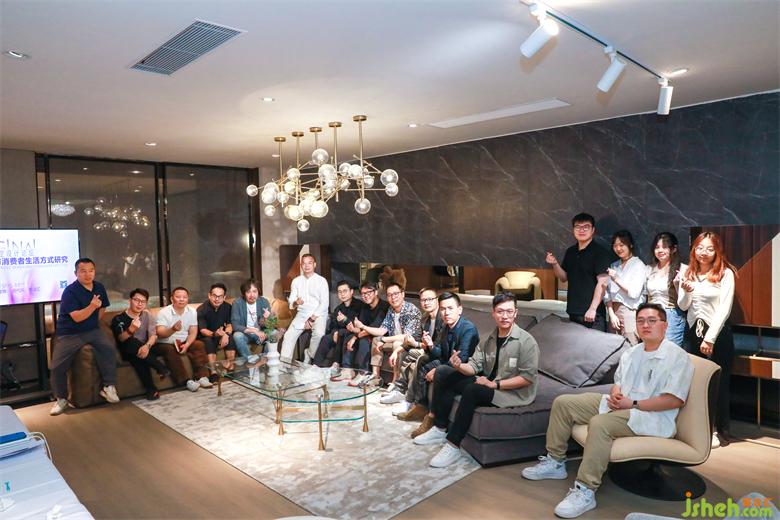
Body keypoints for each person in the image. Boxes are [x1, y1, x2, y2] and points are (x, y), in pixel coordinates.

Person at [522, 303, 693, 518]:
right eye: (641, 321)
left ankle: (585, 490)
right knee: (564, 403)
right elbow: (618, 383)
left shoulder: (677, 357)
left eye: (652, 321)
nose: (646, 325)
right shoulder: (632, 353)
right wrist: (615, 395)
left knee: (600, 423)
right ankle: (555, 462)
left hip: (652, 417)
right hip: (623, 406)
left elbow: (673, 400)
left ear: (665, 325)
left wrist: (632, 403)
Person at [414, 293, 539, 468]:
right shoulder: (488, 339)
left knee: (472, 390)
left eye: (509, 311)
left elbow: (527, 378)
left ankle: (453, 444)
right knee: (444, 372)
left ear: (516, 313)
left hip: (512, 393)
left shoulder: (526, 341)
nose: (505, 316)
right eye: (500, 311)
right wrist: (458, 366)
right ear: (493, 313)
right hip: (489, 384)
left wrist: (494, 384)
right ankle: (440, 428)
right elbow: (473, 366)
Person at [678, 231, 735, 448]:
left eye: (710, 249)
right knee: (697, 383)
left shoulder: (725, 273)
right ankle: (700, 430)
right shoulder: (689, 272)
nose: (704, 252)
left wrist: (710, 339)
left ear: (717, 251)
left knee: (718, 383)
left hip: (717, 334)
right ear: (694, 249)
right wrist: (685, 291)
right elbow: (683, 305)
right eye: (700, 248)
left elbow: (724, 309)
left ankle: (719, 431)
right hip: (694, 333)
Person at [50, 258, 119, 415]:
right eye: (83, 271)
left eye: (91, 271)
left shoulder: (99, 287)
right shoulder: (70, 291)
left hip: (92, 330)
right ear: (76, 273)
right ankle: (61, 399)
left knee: (108, 348)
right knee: (57, 366)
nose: (88, 274)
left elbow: (103, 308)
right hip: (70, 333)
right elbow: (77, 317)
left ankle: (108, 386)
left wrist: (94, 320)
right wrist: (92, 306)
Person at [411, 292, 480, 439]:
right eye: (443, 309)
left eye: (450, 308)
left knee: (441, 370)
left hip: (465, 370)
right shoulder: (445, 326)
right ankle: (422, 406)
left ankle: (433, 417)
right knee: (424, 360)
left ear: (459, 310)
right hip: (449, 364)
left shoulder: (468, 329)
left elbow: (462, 358)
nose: (446, 312)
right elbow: (441, 353)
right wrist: (430, 345)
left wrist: (436, 370)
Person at [547, 213, 613, 331]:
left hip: (593, 315)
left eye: (586, 227)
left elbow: (603, 283)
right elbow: (563, 277)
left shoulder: (600, 252)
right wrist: (555, 264)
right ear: (573, 230)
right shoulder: (570, 252)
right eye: (578, 227)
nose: (581, 230)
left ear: (593, 230)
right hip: (573, 311)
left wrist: (592, 309)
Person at [395, 287, 446, 421]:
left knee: (421, 359)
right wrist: (400, 348)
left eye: (430, 299)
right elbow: (417, 336)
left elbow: (437, 345)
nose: (426, 303)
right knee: (405, 352)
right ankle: (400, 391)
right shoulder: (425, 318)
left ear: (437, 300)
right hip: (429, 349)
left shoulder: (443, 318)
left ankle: (411, 401)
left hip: (438, 353)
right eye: (423, 300)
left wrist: (420, 344)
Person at [110, 288, 169, 400]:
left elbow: (153, 336)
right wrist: (131, 329)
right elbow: (121, 338)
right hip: (126, 349)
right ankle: (160, 367)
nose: (139, 304)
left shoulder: (147, 316)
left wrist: (146, 346)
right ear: (130, 301)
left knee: (139, 358)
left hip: (143, 349)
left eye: (143, 301)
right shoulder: (118, 318)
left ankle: (152, 390)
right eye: (136, 300)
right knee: (131, 342)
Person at [357, 282, 421, 385]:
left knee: (395, 343)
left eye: (396, 294)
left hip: (409, 344)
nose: (393, 297)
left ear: (402, 294)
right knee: (376, 339)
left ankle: (395, 381)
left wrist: (384, 339)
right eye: (389, 295)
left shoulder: (411, 310)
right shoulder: (391, 310)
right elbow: (382, 330)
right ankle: (376, 377)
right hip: (394, 341)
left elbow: (406, 336)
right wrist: (364, 327)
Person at [155, 286, 211, 392]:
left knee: (198, 344)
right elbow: (160, 333)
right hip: (165, 342)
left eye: (184, 297)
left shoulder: (192, 311)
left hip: (183, 341)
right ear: (172, 299)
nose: (181, 299)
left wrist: (187, 344)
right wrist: (173, 329)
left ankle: (202, 377)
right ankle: (185, 381)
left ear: (187, 299)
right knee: (169, 350)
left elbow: (193, 331)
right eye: (178, 297)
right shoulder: (164, 312)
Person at [280, 254, 330, 364]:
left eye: (309, 263)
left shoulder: (322, 281)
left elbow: (324, 304)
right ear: (301, 265)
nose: (307, 266)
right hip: (302, 313)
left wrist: (311, 319)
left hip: (319, 314)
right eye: (304, 263)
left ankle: (309, 353)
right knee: (288, 336)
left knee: (319, 334)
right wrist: (296, 302)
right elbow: (291, 301)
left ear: (314, 264)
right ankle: (284, 365)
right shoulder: (296, 281)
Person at [604, 230, 646, 345]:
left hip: (629, 312)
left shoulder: (638, 265)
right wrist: (611, 314)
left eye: (621, 245)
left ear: (630, 245)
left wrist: (616, 279)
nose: (618, 249)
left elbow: (634, 293)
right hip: (613, 312)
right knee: (612, 347)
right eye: (615, 245)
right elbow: (607, 294)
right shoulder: (614, 265)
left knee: (630, 346)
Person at [341, 282, 390, 382]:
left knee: (363, 340)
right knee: (348, 336)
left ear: (376, 292)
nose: (365, 296)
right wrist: (354, 336)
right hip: (367, 332)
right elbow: (360, 326)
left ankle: (363, 372)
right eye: (363, 294)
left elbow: (375, 326)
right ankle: (348, 370)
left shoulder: (384, 306)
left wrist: (356, 336)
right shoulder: (365, 307)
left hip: (380, 335)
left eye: (369, 293)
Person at [312, 280, 363, 375]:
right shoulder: (338, 308)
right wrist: (334, 332)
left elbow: (358, 325)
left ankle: (336, 364)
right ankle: (315, 366)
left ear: (351, 291)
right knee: (326, 338)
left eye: (345, 291)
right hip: (339, 333)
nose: (342, 294)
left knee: (342, 333)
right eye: (340, 292)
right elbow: (333, 324)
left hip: (354, 334)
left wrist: (345, 319)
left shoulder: (360, 306)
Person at [645, 231, 687, 346]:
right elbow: (648, 297)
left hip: (671, 315)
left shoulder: (683, 269)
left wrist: (678, 284)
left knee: (669, 351)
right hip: (651, 315)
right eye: (657, 247)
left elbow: (686, 301)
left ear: (673, 249)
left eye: (664, 247)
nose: (660, 250)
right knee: (652, 350)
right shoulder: (649, 269)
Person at [197, 283, 237, 373]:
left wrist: (226, 334)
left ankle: (231, 368)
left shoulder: (228, 307)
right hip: (207, 336)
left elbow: (229, 325)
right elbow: (203, 330)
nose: (217, 299)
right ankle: (213, 371)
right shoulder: (202, 309)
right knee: (209, 341)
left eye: (220, 296)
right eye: (214, 296)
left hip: (221, 334)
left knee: (231, 338)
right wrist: (215, 334)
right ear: (209, 295)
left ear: (224, 297)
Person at [230, 278, 271, 361]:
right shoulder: (237, 303)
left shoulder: (264, 302)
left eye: (254, 291)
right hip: (246, 334)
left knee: (274, 333)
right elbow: (235, 326)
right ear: (244, 293)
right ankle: (251, 361)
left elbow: (270, 326)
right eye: (248, 292)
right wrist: (254, 331)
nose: (252, 295)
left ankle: (264, 361)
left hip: (261, 333)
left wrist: (267, 319)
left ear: (258, 292)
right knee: (237, 336)